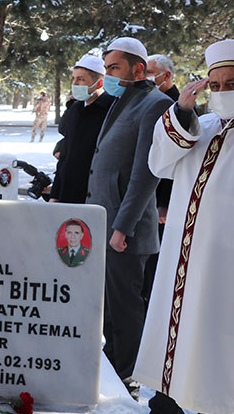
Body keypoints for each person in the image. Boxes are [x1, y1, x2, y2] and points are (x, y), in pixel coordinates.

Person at [133, 39, 234, 414]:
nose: (222, 92)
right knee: (181, 341)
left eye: (231, 84)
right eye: (216, 85)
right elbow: (160, 162)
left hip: (222, 261)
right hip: (183, 258)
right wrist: (183, 110)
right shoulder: (202, 125)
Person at [86, 37, 171, 397]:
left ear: (139, 69)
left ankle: (128, 378)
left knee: (125, 309)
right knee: (108, 309)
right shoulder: (123, 100)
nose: (108, 76)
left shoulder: (155, 103)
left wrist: (123, 226)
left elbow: (144, 174)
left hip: (126, 229)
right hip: (103, 222)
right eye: (106, 69)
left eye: (114, 68)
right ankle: (112, 369)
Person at [49, 55, 114, 204]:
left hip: (94, 194)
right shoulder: (75, 108)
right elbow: (65, 155)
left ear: (99, 83)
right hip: (68, 192)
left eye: (81, 79)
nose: (75, 84)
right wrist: (56, 193)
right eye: (73, 79)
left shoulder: (110, 110)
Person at [142, 54, 179, 309]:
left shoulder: (177, 105)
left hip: (162, 201)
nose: (146, 77)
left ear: (166, 76)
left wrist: (163, 202)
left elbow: (174, 160)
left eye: (151, 72)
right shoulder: (152, 100)